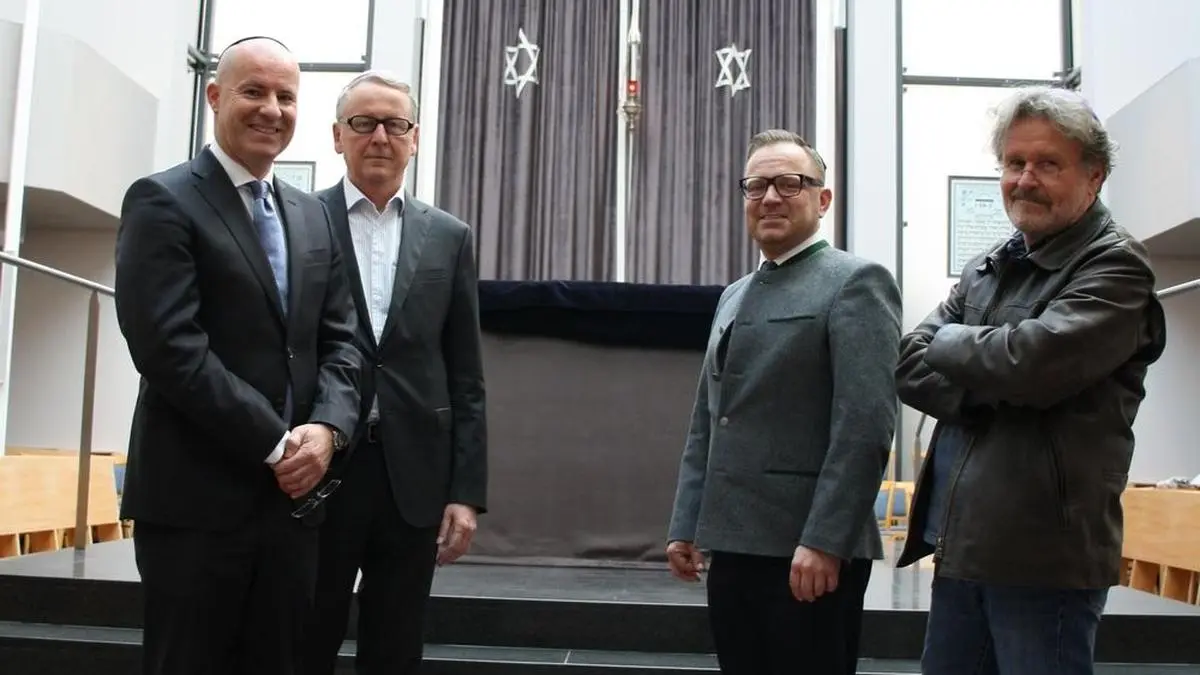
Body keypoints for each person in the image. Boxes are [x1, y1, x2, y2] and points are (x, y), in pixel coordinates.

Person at [896, 86, 1167, 675]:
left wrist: (950, 345)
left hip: (1045, 559)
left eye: (1048, 163)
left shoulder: (1115, 264)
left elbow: (1033, 363)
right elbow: (907, 366)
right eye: (1014, 163)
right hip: (962, 543)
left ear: (1094, 177)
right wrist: (987, 383)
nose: (1025, 179)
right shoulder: (989, 264)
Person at [112, 36, 361, 675]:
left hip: (293, 511)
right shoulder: (162, 200)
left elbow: (342, 341)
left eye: (286, 96)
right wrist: (277, 444)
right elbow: (170, 349)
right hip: (195, 506)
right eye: (254, 91)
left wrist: (329, 431)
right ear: (215, 95)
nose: (271, 109)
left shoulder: (313, 216)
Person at [665, 129, 901, 675]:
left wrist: (825, 540)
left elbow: (864, 427)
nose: (770, 197)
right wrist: (687, 521)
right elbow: (709, 418)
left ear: (822, 199)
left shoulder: (855, 282)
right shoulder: (734, 295)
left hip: (808, 553)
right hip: (733, 543)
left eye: (789, 183)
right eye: (757, 186)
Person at [303, 70, 488, 675]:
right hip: (322, 467)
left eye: (395, 124)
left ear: (414, 138)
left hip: (414, 476)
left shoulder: (449, 237)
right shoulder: (299, 220)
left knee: (395, 646)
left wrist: (465, 492)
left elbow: (466, 375)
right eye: (363, 123)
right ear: (337, 136)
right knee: (305, 634)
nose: (380, 136)